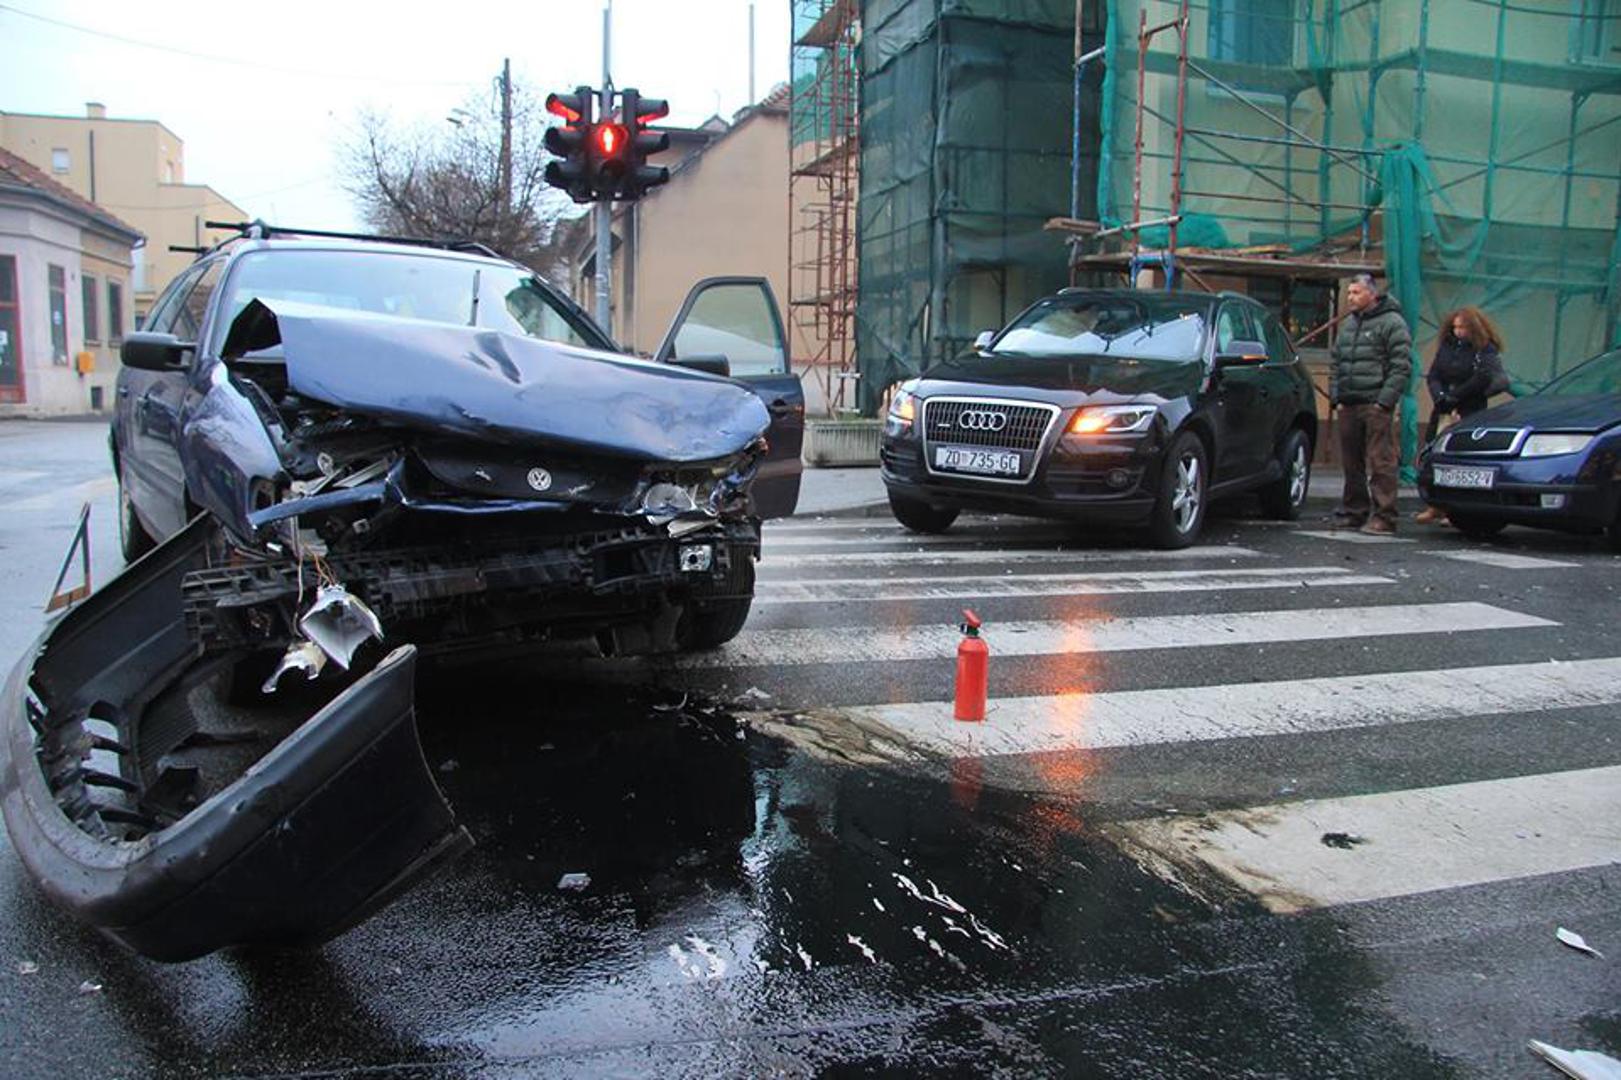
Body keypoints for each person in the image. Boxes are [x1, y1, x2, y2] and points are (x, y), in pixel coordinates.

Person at [1328, 273, 1412, 535]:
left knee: (1381, 461)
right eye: (1349, 292)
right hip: (1349, 403)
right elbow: (1336, 362)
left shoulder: (1392, 322)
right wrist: (1336, 397)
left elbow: (1401, 365)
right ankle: (1354, 511)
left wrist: (1383, 402)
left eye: (1356, 292)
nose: (1350, 297)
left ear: (1372, 294)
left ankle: (1385, 516)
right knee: (1351, 463)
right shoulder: (1349, 325)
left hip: (1375, 403)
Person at [1415, 306, 1507, 525]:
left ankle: (1456, 508)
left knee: (1462, 459)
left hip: (1469, 407)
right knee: (1434, 453)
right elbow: (1434, 374)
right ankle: (1435, 504)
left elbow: (1483, 378)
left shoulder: (1484, 349)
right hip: (1444, 407)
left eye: (1463, 327)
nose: (1458, 332)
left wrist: (1456, 397)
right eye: (1455, 327)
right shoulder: (1447, 346)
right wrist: (1440, 396)